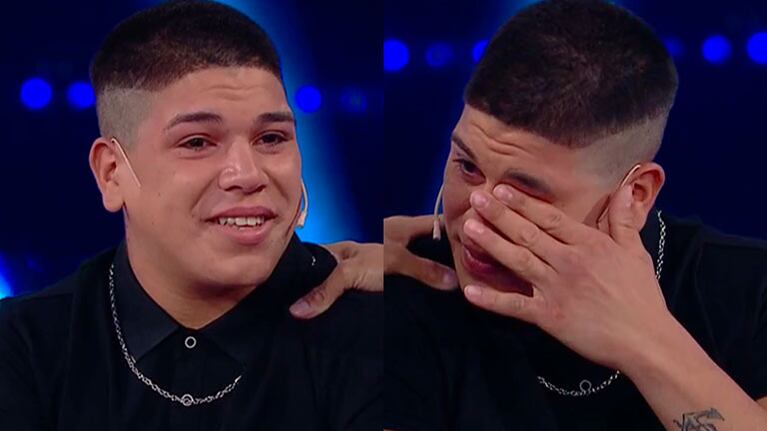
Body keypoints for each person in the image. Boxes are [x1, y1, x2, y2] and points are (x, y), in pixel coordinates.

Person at [384, 1, 767, 430]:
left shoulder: (749, 293)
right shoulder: (409, 290)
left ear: (635, 195)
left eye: (522, 193)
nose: (475, 223)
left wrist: (644, 342)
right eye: (467, 166)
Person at [0, 1, 381, 429]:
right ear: (112, 173)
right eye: (197, 142)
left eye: (271, 138)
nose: (248, 174)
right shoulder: (24, 348)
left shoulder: (373, 330)